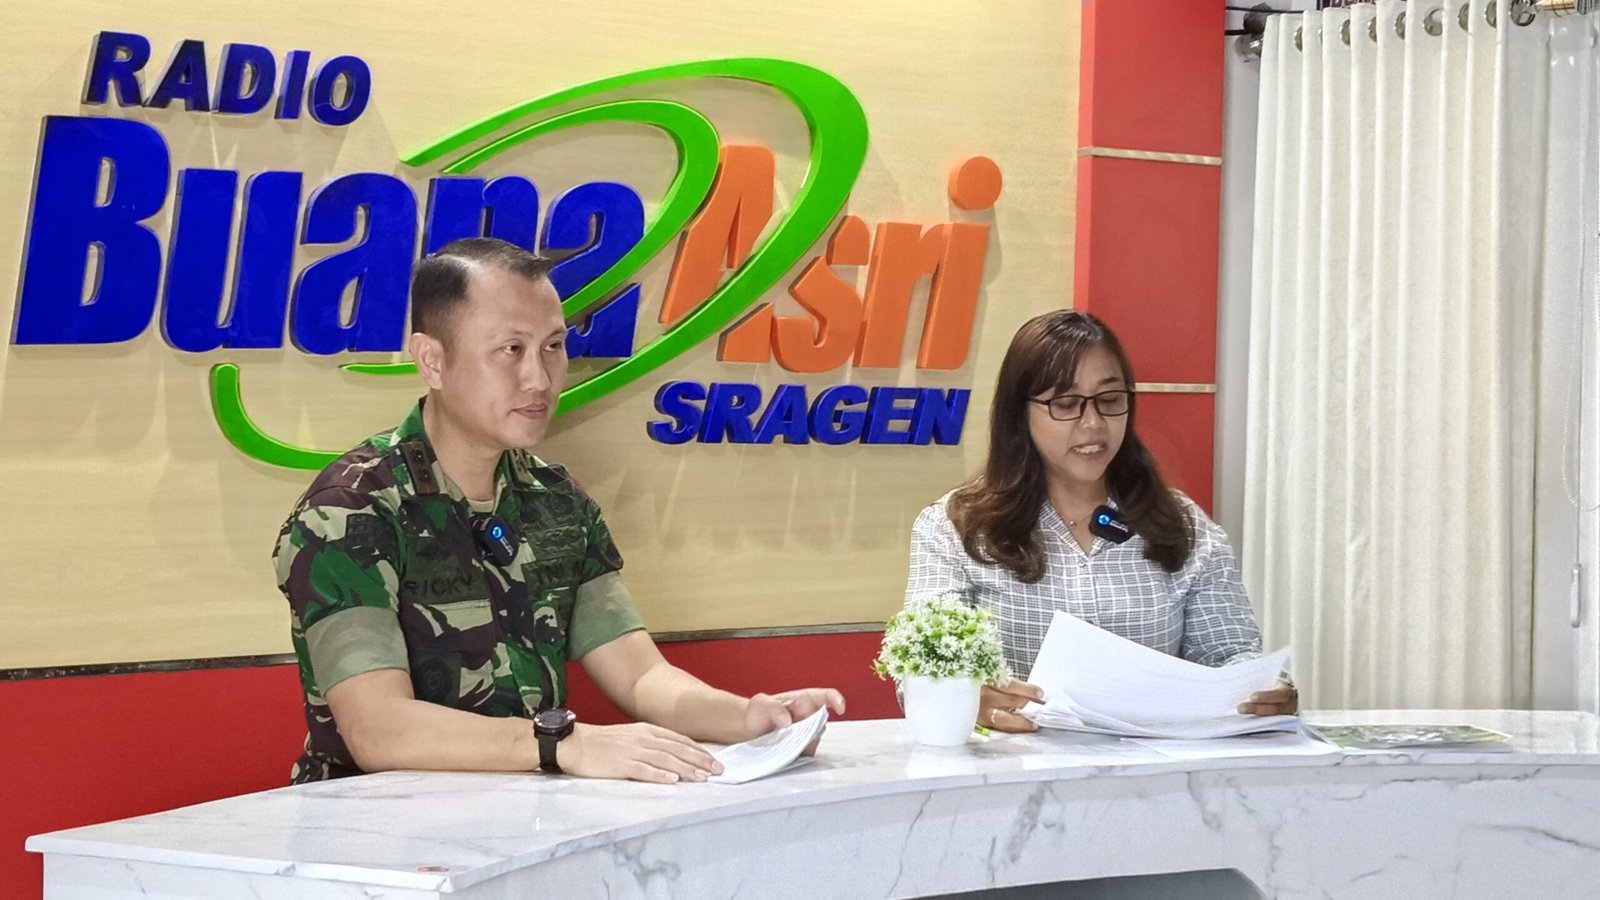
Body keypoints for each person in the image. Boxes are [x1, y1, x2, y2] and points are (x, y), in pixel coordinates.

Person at [273, 238, 844, 784]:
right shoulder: (350, 509)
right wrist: (559, 743)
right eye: (511, 350)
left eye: (553, 346)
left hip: (526, 816)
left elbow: (640, 675)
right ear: (433, 360)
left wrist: (748, 718)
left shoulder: (554, 498)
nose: (539, 378)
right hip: (375, 830)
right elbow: (380, 730)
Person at [902, 310, 1296, 733]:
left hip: (1153, 762)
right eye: (1065, 404)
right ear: (1020, 413)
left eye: (1109, 400)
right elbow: (921, 666)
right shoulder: (956, 527)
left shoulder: (1183, 526)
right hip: (1014, 761)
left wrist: (1266, 690)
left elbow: (1231, 654)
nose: (1093, 424)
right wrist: (960, 696)